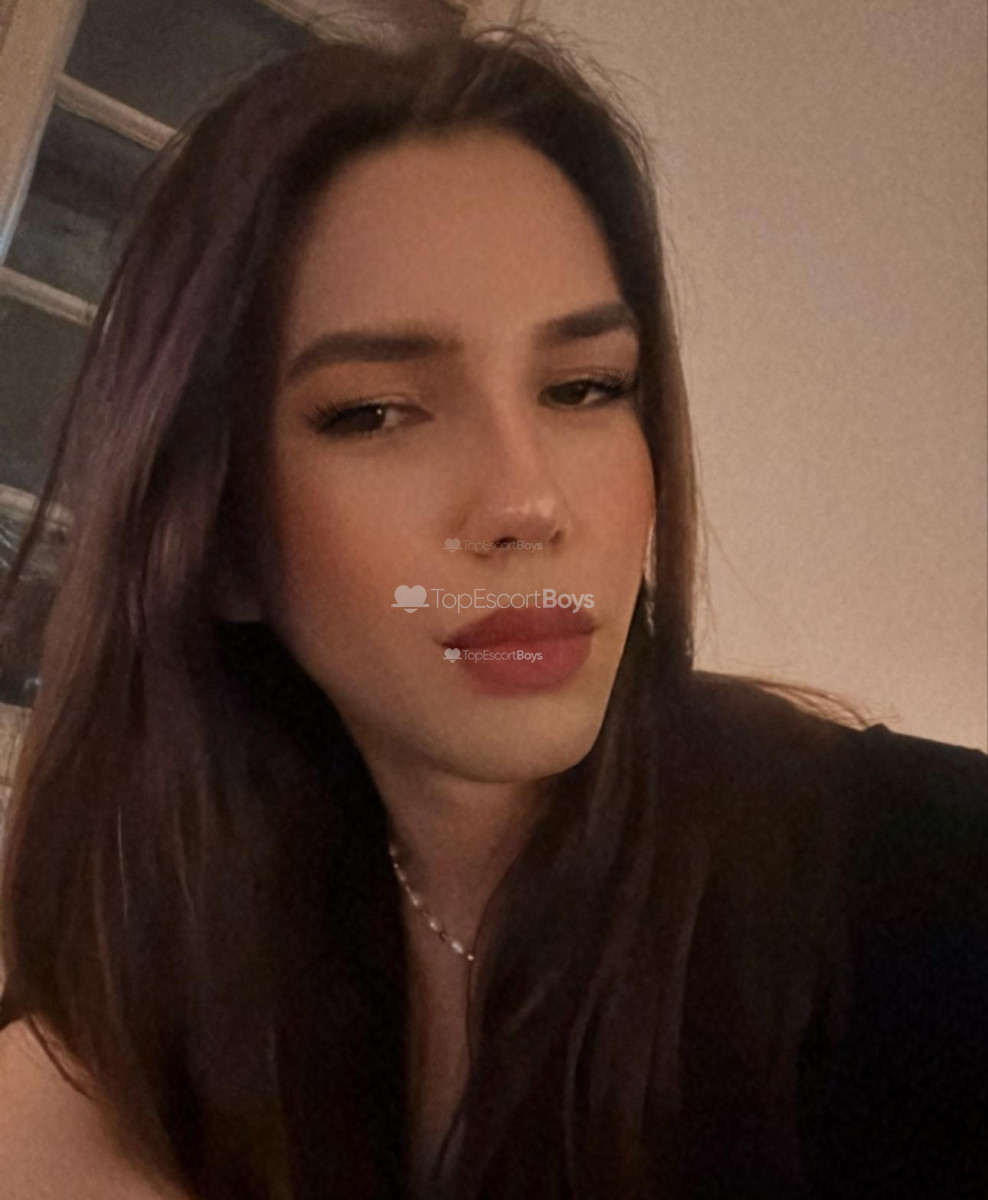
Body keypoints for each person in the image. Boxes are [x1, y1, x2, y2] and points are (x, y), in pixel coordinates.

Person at [0, 20, 985, 1200]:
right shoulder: (183, 950)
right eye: (375, 412)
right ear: (221, 547)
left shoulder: (918, 887)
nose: (526, 504)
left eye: (584, 388)